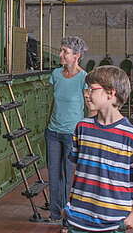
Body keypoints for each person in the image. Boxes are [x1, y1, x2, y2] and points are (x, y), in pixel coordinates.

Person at [64, 65, 133, 233]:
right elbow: (79, 170)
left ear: (111, 93)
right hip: (78, 219)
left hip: (113, 223)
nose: (86, 93)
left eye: (91, 89)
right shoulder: (82, 128)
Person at [45, 36, 89, 226]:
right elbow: (53, 103)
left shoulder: (84, 78)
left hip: (72, 134)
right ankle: (55, 213)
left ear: (77, 56)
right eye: (61, 50)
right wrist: (47, 125)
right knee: (54, 175)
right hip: (53, 132)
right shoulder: (55, 74)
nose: (60, 54)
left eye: (65, 51)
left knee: (69, 176)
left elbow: (90, 108)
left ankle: (69, 217)